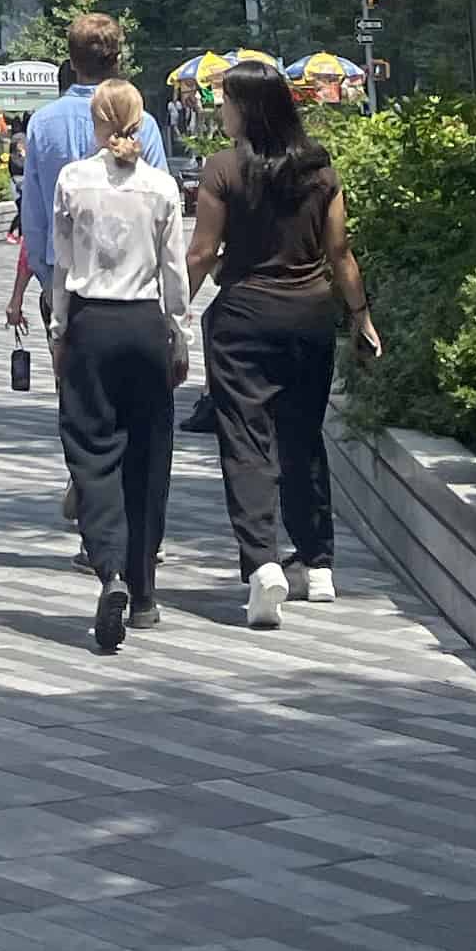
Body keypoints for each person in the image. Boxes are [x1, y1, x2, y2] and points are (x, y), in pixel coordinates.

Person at [188, 62, 382, 626]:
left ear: (245, 107)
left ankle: (262, 564)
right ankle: (317, 565)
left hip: (244, 319)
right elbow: (340, 252)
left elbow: (201, 253)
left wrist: (172, 309)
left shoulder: (223, 169)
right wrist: (362, 317)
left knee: (247, 441)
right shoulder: (319, 169)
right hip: (310, 315)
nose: (220, 112)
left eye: (225, 101)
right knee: (302, 435)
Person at [48, 79, 193, 652]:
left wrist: (59, 331)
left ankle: (108, 567)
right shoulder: (161, 187)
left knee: (91, 448)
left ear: (98, 124)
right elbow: (174, 270)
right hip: (143, 323)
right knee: (149, 454)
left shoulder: (72, 181)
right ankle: (146, 588)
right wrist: (177, 332)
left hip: (90, 323)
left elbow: (62, 266)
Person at [14, 17, 170, 502]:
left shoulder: (43, 123)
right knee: (133, 408)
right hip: (135, 294)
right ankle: (122, 517)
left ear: (71, 58)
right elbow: (162, 212)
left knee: (80, 407)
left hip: (70, 289)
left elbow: (34, 214)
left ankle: (90, 499)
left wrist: (44, 280)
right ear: (117, 58)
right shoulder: (141, 122)